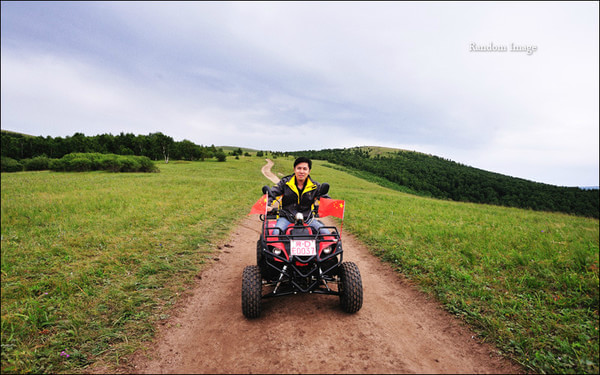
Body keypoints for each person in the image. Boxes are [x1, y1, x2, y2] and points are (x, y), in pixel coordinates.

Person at [267, 157, 330, 235]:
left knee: (326, 233)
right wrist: (268, 205)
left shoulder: (315, 186)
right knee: (275, 233)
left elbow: (324, 197)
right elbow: (273, 193)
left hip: (307, 218)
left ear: (309, 171)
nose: (301, 171)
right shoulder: (285, 183)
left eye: (304, 169)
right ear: (294, 169)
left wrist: (330, 205)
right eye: (299, 168)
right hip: (287, 217)